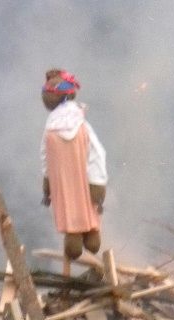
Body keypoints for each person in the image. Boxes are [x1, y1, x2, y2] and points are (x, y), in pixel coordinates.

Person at [40, 69, 107, 276]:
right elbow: (97, 154)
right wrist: (98, 185)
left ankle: (74, 240)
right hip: (84, 181)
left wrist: (47, 186)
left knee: (69, 209)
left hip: (63, 184)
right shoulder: (82, 125)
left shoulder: (49, 130)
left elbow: (45, 160)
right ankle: (92, 236)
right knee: (87, 205)